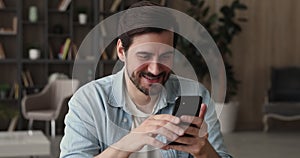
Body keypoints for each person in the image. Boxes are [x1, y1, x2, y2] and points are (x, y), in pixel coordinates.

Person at [60, 1, 231, 158]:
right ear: (121, 51)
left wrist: (205, 152)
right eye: (144, 56)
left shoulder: (195, 94)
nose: (155, 69)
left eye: (165, 56)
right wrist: (127, 144)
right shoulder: (89, 101)